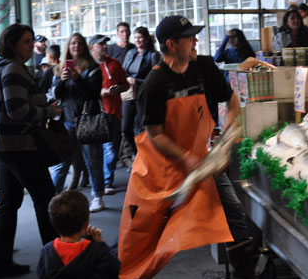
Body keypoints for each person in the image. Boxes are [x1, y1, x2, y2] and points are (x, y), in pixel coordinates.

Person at [118, 15, 252, 278]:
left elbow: (232, 102)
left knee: (234, 212)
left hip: (201, 162)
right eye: (189, 37)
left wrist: (224, 142)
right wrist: (186, 159)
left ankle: (244, 273)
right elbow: (155, 135)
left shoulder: (204, 66)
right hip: (161, 170)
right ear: (172, 44)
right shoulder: (154, 84)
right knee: (144, 232)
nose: (195, 41)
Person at [0, 23, 62, 279]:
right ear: (12, 44)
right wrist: (48, 111)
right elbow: (17, 110)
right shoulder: (13, 69)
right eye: (26, 42)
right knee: (45, 199)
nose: (31, 46)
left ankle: (0, 263)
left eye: (31, 41)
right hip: (19, 145)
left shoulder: (0, 67)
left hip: (3, 145)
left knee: (8, 204)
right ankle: (55, 264)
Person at [49, 33, 105, 213]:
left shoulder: (93, 68)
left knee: (93, 160)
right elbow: (55, 95)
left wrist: (78, 79)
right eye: (73, 43)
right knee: (61, 161)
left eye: (80, 43)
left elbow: (93, 93)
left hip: (88, 120)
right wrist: (63, 80)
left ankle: (98, 196)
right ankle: (52, 195)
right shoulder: (59, 69)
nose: (76, 46)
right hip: (67, 121)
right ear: (68, 46)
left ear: (84, 46)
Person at [37, 190, 120, 279]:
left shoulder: (46, 251)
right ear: (86, 223)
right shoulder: (98, 252)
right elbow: (114, 269)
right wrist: (100, 244)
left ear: (53, 223)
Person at [87, 34, 129, 195]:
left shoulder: (115, 63)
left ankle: (106, 180)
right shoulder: (87, 66)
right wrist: (101, 92)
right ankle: (99, 182)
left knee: (111, 149)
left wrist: (118, 89)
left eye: (105, 44)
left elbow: (125, 85)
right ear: (92, 47)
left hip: (114, 112)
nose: (105, 47)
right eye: (101, 44)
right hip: (95, 114)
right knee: (97, 150)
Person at [120, 26, 160, 157]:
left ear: (146, 39)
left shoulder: (153, 55)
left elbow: (155, 79)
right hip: (129, 94)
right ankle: (137, 153)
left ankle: (144, 156)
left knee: (141, 128)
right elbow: (123, 71)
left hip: (143, 95)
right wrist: (126, 80)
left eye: (140, 37)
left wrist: (137, 81)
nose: (137, 40)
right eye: (135, 37)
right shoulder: (130, 53)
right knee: (125, 128)